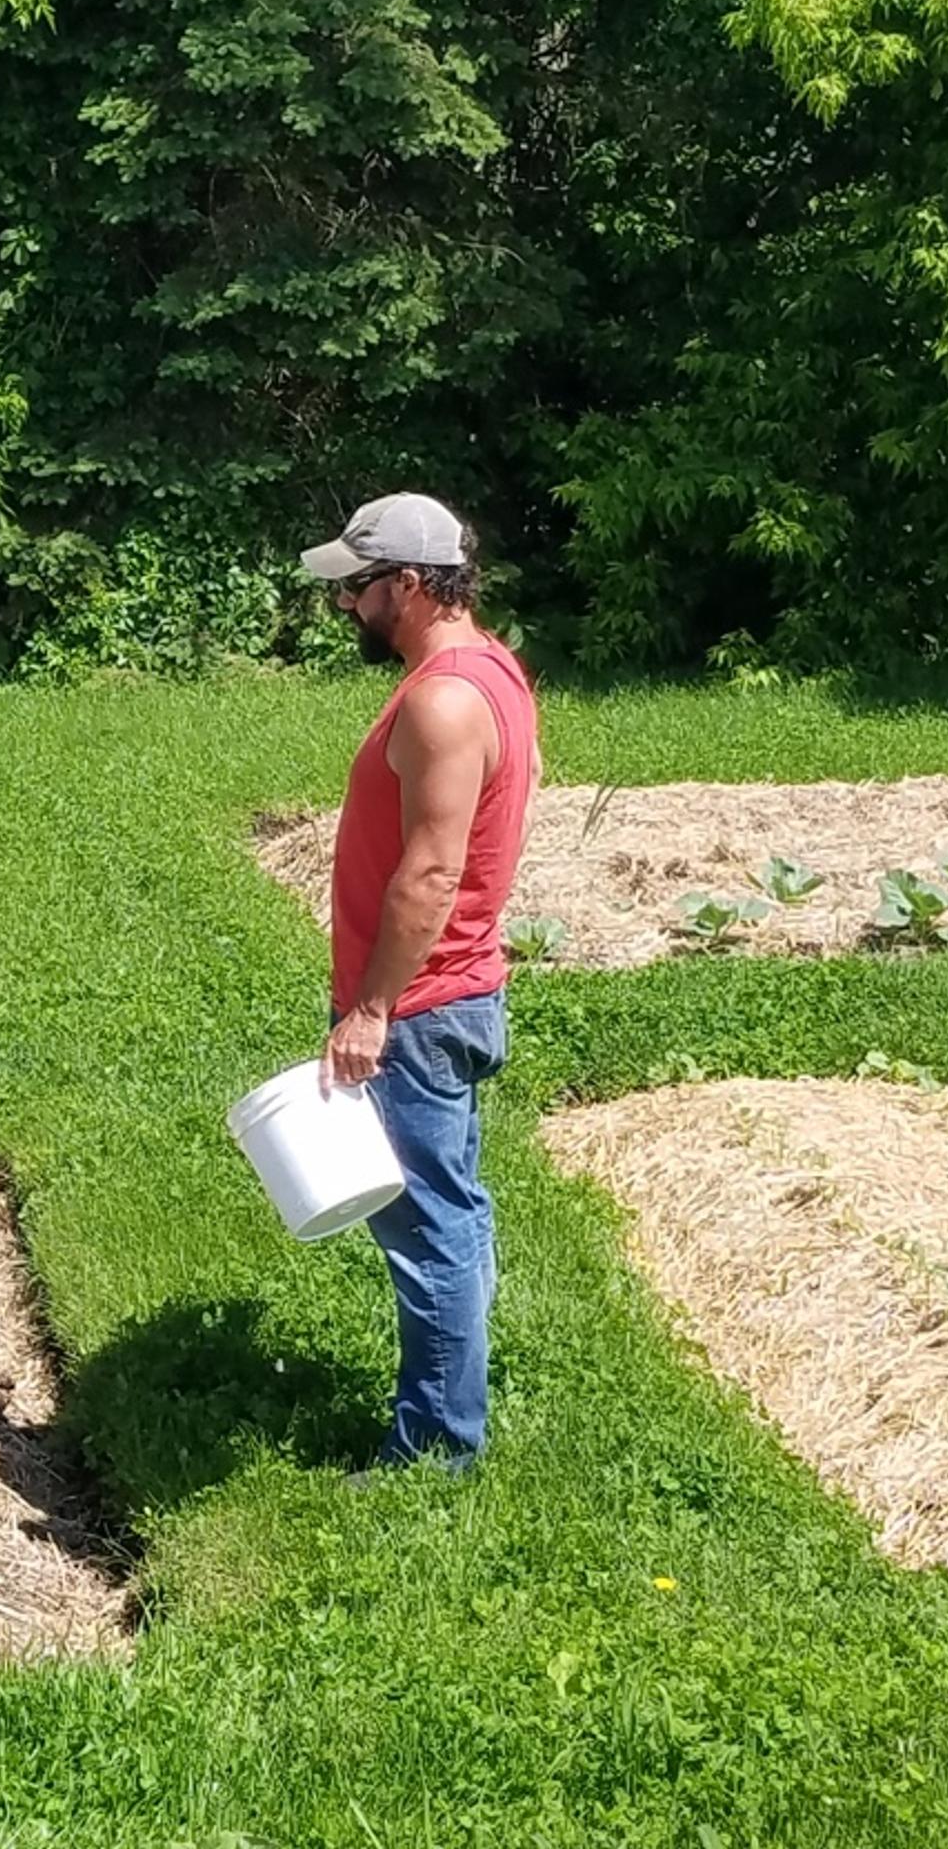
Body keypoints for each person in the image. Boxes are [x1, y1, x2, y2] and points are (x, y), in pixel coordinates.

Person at [304, 492, 538, 1471]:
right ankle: (460, 1392)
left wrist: (370, 1009)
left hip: (420, 1006)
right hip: (456, 991)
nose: (344, 608)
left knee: (428, 1224)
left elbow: (435, 871)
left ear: (406, 584)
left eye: (356, 589)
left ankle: (440, 1448)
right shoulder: (493, 672)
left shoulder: (444, 698)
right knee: (456, 1203)